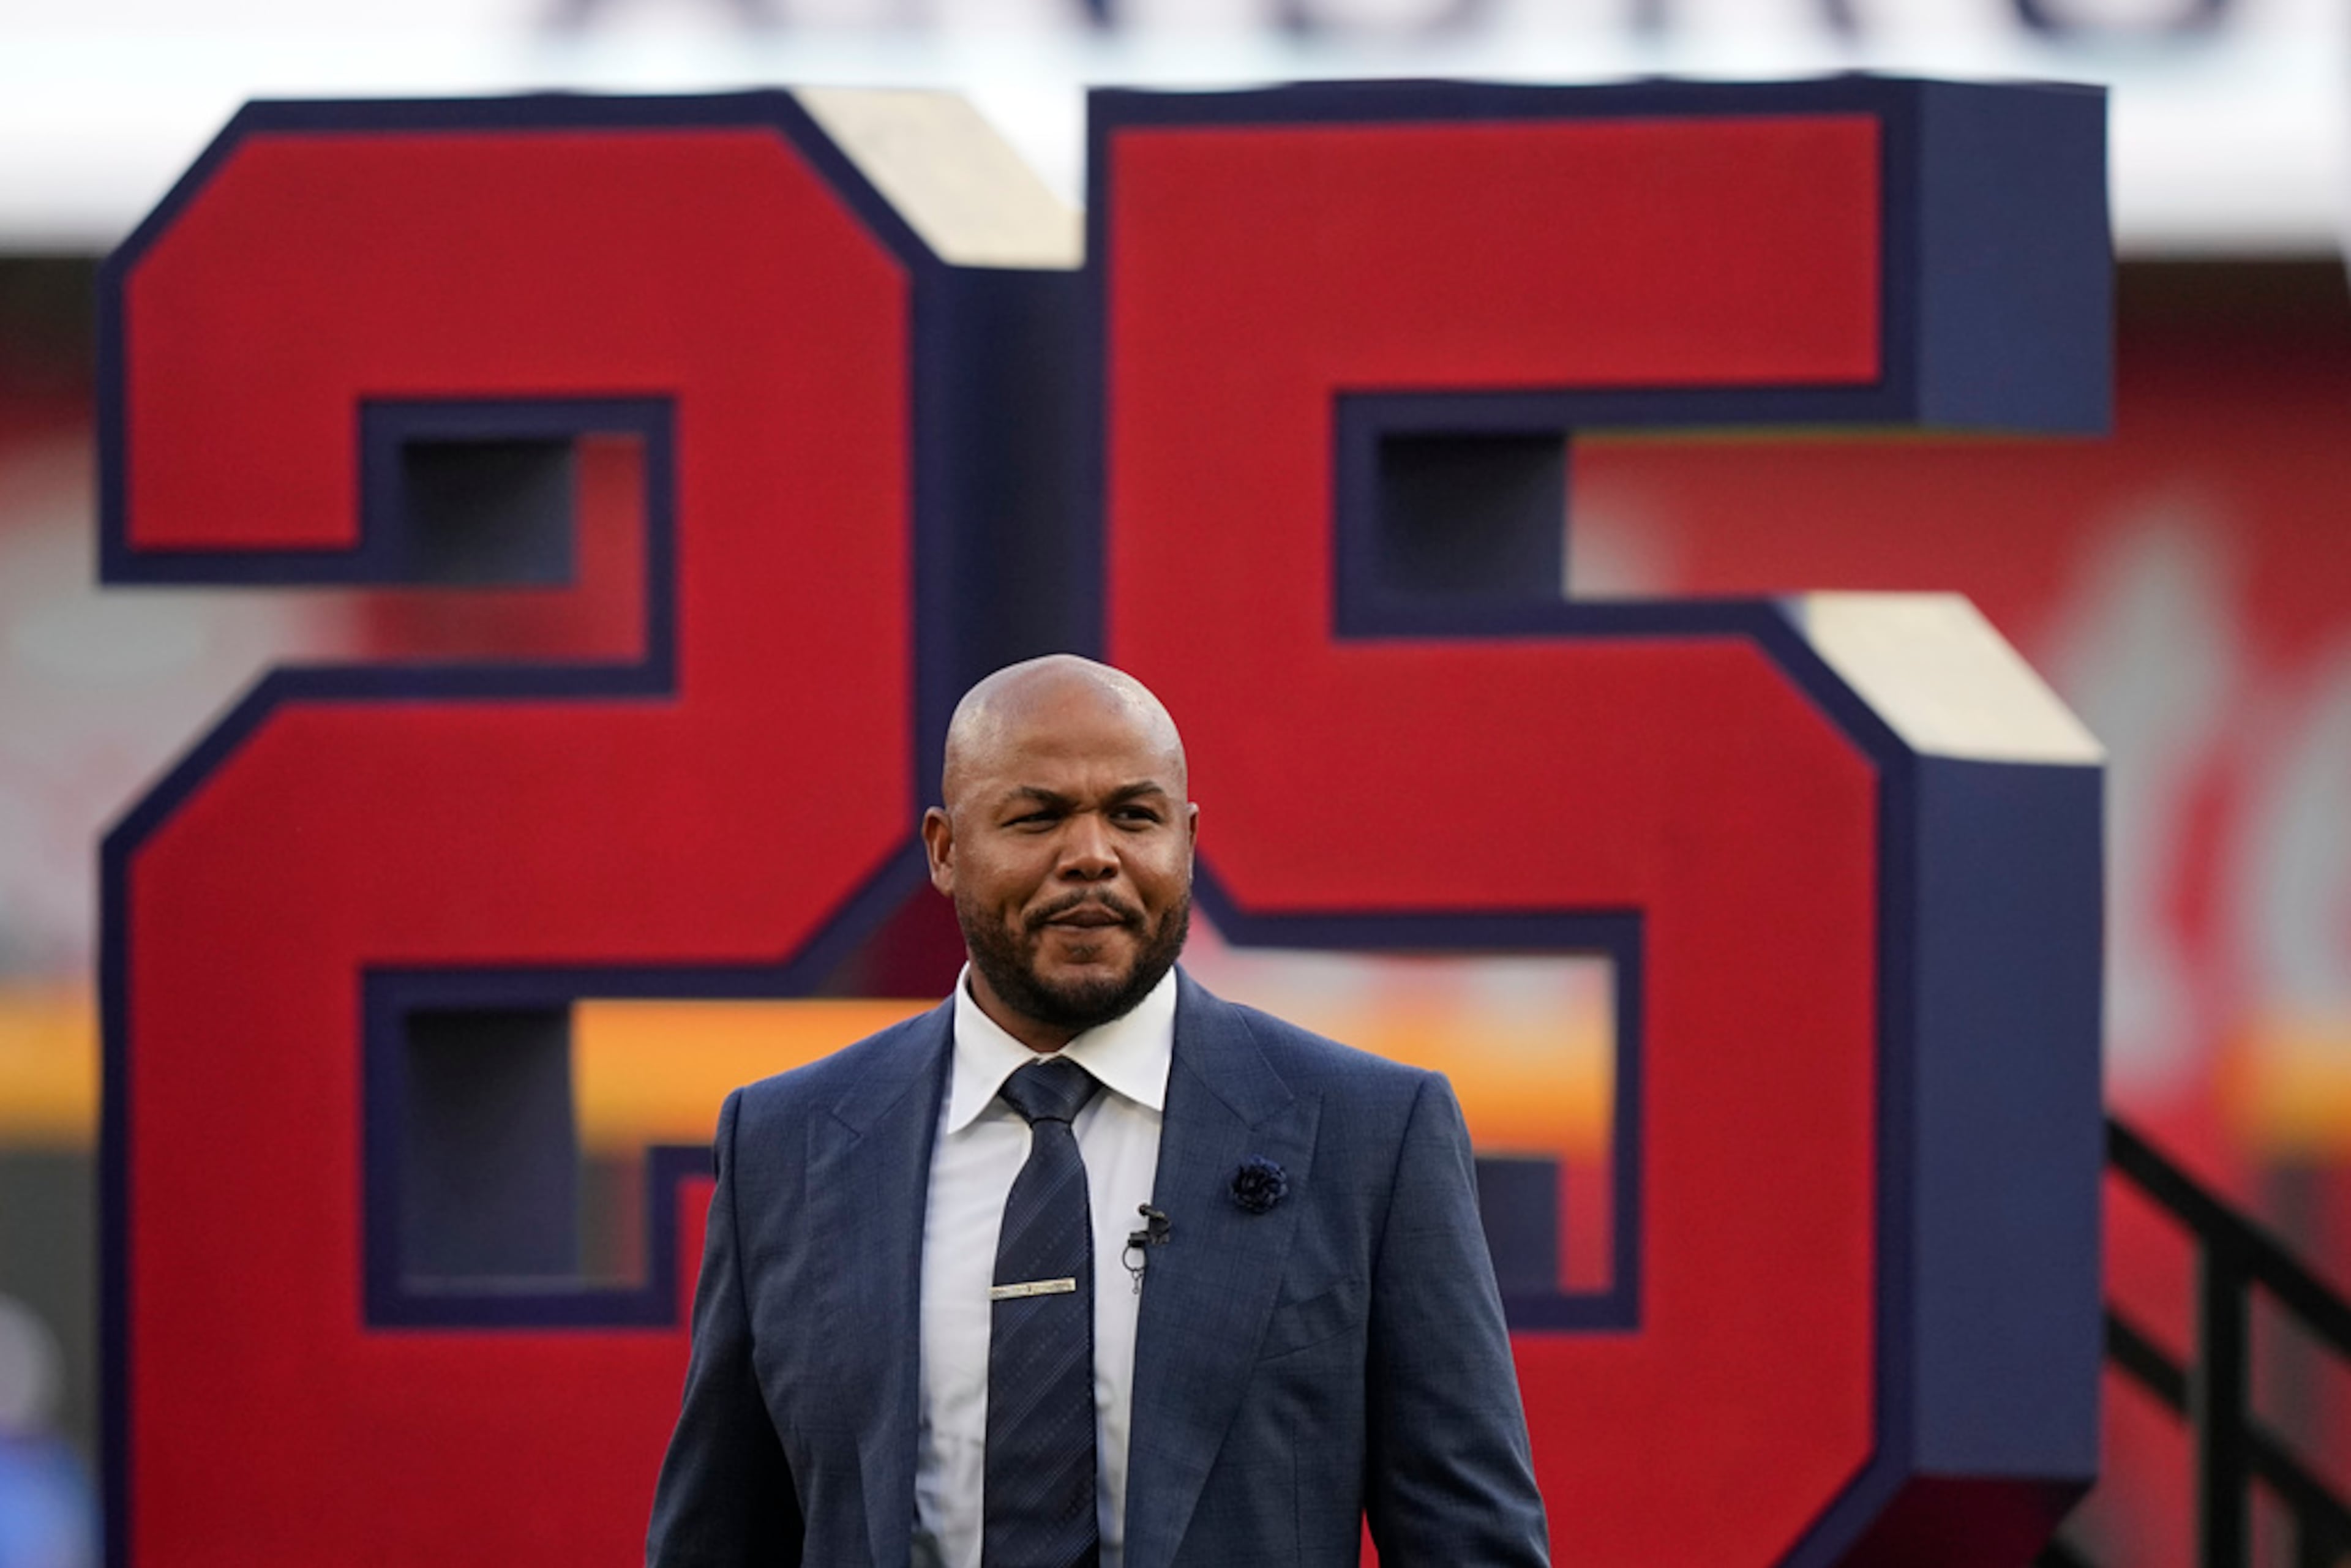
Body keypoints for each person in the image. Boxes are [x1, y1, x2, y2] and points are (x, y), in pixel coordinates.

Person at [647, 655, 1550, 1568]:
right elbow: (718, 1535)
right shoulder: (784, 1142)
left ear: (1187, 839)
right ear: (946, 849)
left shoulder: (1375, 1135)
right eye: (1037, 815)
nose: (1091, 854)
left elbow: (1471, 1541)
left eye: (1134, 814)